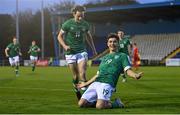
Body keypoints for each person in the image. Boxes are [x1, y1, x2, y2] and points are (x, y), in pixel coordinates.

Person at [77, 33, 143, 109]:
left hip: (108, 83)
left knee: (100, 106)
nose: (112, 43)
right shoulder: (104, 58)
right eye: (110, 42)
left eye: (114, 42)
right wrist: (85, 84)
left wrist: (135, 75)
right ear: (107, 44)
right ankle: (100, 101)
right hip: (96, 83)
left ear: (118, 43)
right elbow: (98, 75)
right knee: (81, 104)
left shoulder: (122, 56)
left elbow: (128, 70)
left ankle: (117, 104)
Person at [57, 5, 97, 100]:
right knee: (75, 76)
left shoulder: (85, 24)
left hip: (82, 51)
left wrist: (93, 49)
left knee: (82, 73)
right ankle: (76, 89)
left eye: (82, 15)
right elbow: (59, 36)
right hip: (70, 53)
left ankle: (87, 97)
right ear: (74, 13)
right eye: (79, 15)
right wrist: (65, 46)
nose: (81, 17)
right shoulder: (67, 24)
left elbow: (89, 37)